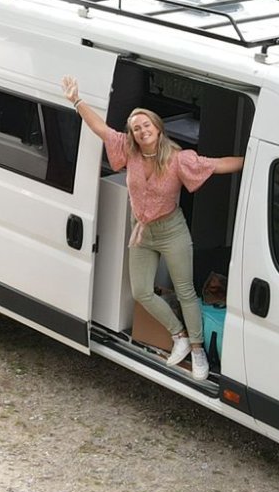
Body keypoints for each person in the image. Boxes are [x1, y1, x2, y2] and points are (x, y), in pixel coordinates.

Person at [62, 76, 243, 381]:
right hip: (142, 231)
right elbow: (101, 129)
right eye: (136, 128)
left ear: (158, 128)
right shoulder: (128, 151)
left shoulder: (178, 159)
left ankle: (197, 350)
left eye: (146, 125)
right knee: (142, 291)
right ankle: (179, 335)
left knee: (185, 291)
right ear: (132, 134)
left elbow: (217, 165)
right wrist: (77, 101)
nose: (142, 130)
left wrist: (256, 158)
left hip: (172, 230)